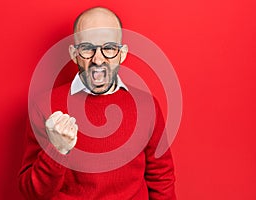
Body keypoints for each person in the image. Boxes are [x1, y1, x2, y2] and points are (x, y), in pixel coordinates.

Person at [18, 7, 176, 200]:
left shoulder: (147, 105)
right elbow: (32, 193)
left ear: (122, 53)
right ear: (74, 53)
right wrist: (57, 150)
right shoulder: (44, 106)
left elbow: (162, 178)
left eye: (109, 48)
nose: (98, 59)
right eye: (87, 48)